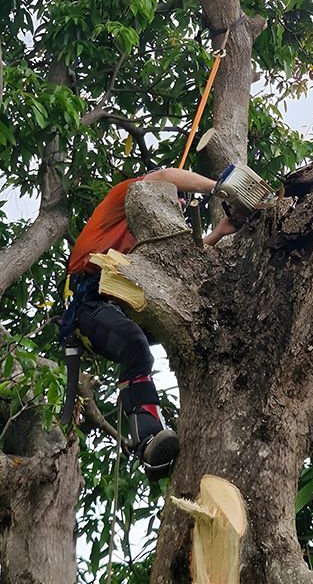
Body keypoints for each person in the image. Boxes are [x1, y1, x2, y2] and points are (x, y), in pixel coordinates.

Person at [62, 167, 239, 481]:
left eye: (183, 203)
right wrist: (220, 187)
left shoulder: (148, 239)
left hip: (119, 304)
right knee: (134, 343)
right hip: (88, 303)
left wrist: (220, 232)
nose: (180, 206)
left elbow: (181, 265)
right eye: (178, 198)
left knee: (193, 324)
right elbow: (163, 176)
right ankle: (146, 440)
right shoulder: (127, 196)